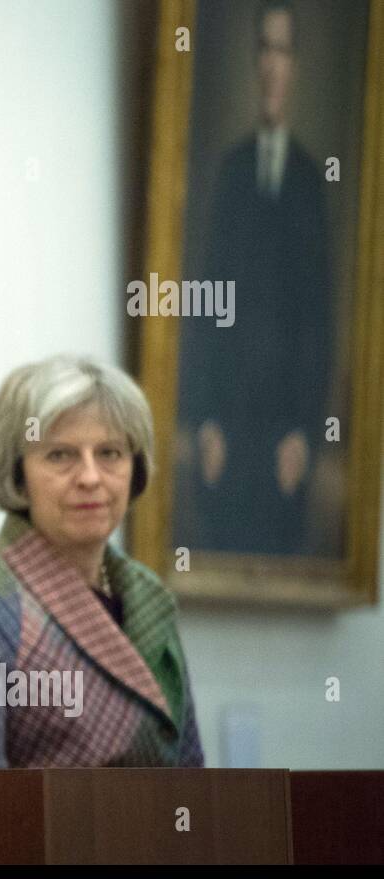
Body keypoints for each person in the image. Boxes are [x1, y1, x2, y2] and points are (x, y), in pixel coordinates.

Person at [0, 356, 204, 768]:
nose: (90, 477)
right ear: (18, 472)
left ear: (135, 468)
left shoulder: (149, 596)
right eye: (60, 455)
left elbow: (194, 778)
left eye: (110, 453)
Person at [177, 0, 334, 555]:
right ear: (255, 62)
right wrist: (205, 420)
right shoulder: (232, 170)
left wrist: (303, 432)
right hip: (229, 423)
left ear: (293, 67)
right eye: (264, 50)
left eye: (283, 51)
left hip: (283, 434)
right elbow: (206, 300)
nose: (272, 64)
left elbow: (319, 319)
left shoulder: (312, 182)